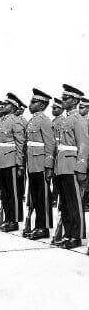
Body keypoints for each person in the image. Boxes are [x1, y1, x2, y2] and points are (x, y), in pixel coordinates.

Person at [54, 84, 88, 249]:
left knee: (75, 203)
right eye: (63, 98)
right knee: (65, 203)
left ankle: (77, 236)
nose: (63, 101)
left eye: (66, 98)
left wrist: (81, 167)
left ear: (74, 101)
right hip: (61, 165)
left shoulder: (78, 120)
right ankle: (68, 234)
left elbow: (83, 144)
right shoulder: (64, 119)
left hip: (72, 166)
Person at [25, 88, 55, 240]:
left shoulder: (44, 121)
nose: (30, 104)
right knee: (35, 198)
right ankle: (37, 225)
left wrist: (49, 166)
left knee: (43, 198)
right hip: (32, 163)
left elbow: (50, 145)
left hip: (41, 164)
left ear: (42, 105)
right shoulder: (32, 120)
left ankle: (44, 227)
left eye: (33, 102)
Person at [0, 93, 26, 232]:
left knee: (13, 193)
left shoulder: (15, 121)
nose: (3, 106)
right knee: (5, 193)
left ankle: (14, 221)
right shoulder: (2, 120)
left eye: (6, 104)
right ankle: (7, 219)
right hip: (2, 161)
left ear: (13, 107)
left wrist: (20, 164)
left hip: (12, 161)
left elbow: (20, 144)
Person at [51, 98, 65, 206]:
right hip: (54, 152)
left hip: (58, 152)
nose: (53, 110)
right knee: (54, 178)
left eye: (55, 108)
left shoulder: (62, 121)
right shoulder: (54, 120)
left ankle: (56, 199)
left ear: (61, 109)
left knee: (58, 177)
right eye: (53, 108)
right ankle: (54, 198)